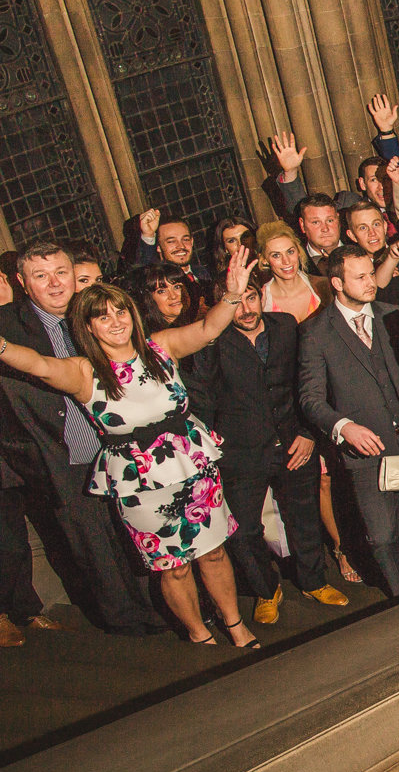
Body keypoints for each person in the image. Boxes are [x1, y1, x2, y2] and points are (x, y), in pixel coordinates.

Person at [0, 253, 258, 646]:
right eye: (103, 316)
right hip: (141, 482)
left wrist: (234, 294)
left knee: (214, 553)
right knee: (173, 568)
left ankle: (236, 624)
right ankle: (199, 632)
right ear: (88, 327)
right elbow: (36, 364)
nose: (116, 321)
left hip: (193, 468)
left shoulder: (161, 346)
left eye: (120, 311)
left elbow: (208, 328)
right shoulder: (83, 371)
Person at [0, 241, 162, 635]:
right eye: (41, 276)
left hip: (121, 449)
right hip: (62, 458)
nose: (55, 284)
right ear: (23, 282)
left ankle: (159, 611)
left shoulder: (98, 313)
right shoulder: (5, 326)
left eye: (61, 272)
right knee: (94, 549)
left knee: (137, 535)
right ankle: (128, 626)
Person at [186, 278, 347, 623]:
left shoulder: (286, 326)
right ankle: (265, 589)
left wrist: (308, 433)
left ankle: (314, 582)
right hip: (240, 453)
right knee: (243, 531)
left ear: (261, 296)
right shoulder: (211, 341)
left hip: (294, 443)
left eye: (251, 297)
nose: (246, 309)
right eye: (236, 301)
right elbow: (202, 398)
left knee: (303, 519)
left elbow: (309, 381)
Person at [298, 244, 399, 596]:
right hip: (364, 455)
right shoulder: (316, 332)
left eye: (371, 273)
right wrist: (344, 428)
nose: (371, 282)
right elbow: (310, 399)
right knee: (382, 534)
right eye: (360, 277)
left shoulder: (394, 315)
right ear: (338, 283)